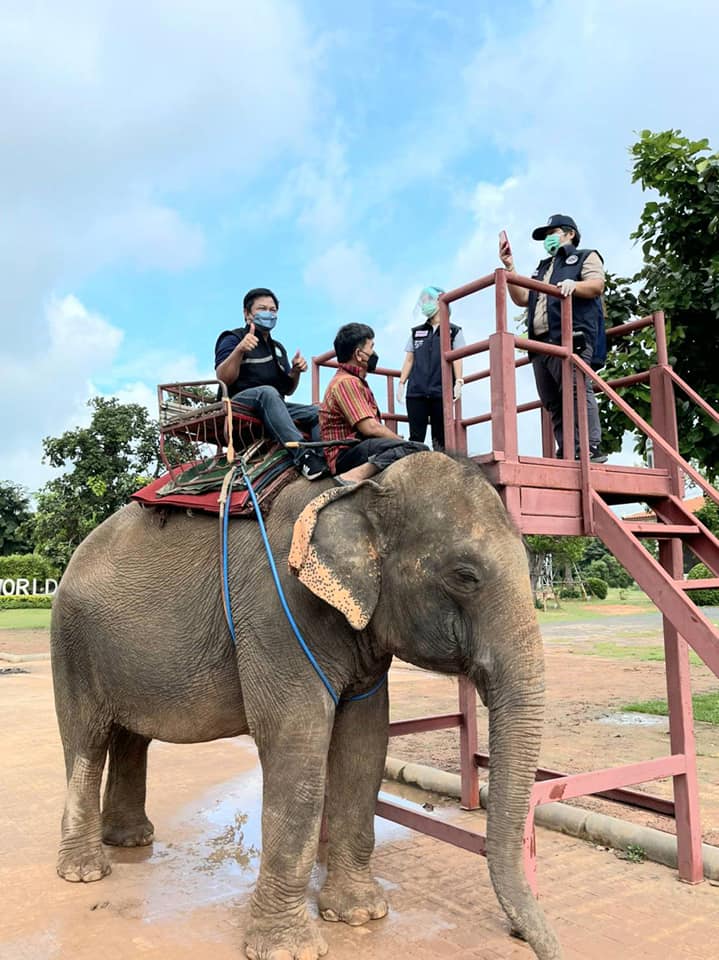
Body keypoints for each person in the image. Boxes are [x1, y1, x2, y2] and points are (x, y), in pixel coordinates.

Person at [499, 214, 608, 463]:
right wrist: (510, 267)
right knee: (552, 401)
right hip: (541, 344)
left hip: (571, 338)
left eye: (553, 232)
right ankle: (567, 449)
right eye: (545, 235)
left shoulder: (585, 256)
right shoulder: (543, 267)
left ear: (570, 233)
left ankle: (590, 447)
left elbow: (596, 285)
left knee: (576, 390)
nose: (548, 238)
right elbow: (523, 298)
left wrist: (574, 285)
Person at [214, 287, 327, 479]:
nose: (268, 314)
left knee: (321, 411)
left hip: (274, 405)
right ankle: (303, 455)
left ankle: (321, 455)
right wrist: (239, 351)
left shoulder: (277, 348)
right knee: (266, 392)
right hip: (239, 404)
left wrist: (295, 372)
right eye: (262, 309)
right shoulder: (232, 338)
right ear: (247, 313)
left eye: (273, 310)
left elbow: (287, 390)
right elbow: (223, 377)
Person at [320, 323, 429, 484]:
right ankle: (352, 476)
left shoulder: (354, 381)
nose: (373, 353)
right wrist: (400, 441)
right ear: (359, 354)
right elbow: (370, 427)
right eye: (371, 347)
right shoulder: (346, 382)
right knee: (416, 449)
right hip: (345, 454)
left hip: (359, 447)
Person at [396, 286, 465, 450]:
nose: (425, 304)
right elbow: (409, 359)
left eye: (428, 300)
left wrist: (459, 381)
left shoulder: (454, 331)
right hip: (416, 391)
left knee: (440, 439)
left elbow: (458, 357)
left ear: (439, 301)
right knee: (416, 438)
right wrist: (401, 382)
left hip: (440, 391)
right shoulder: (416, 332)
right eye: (423, 301)